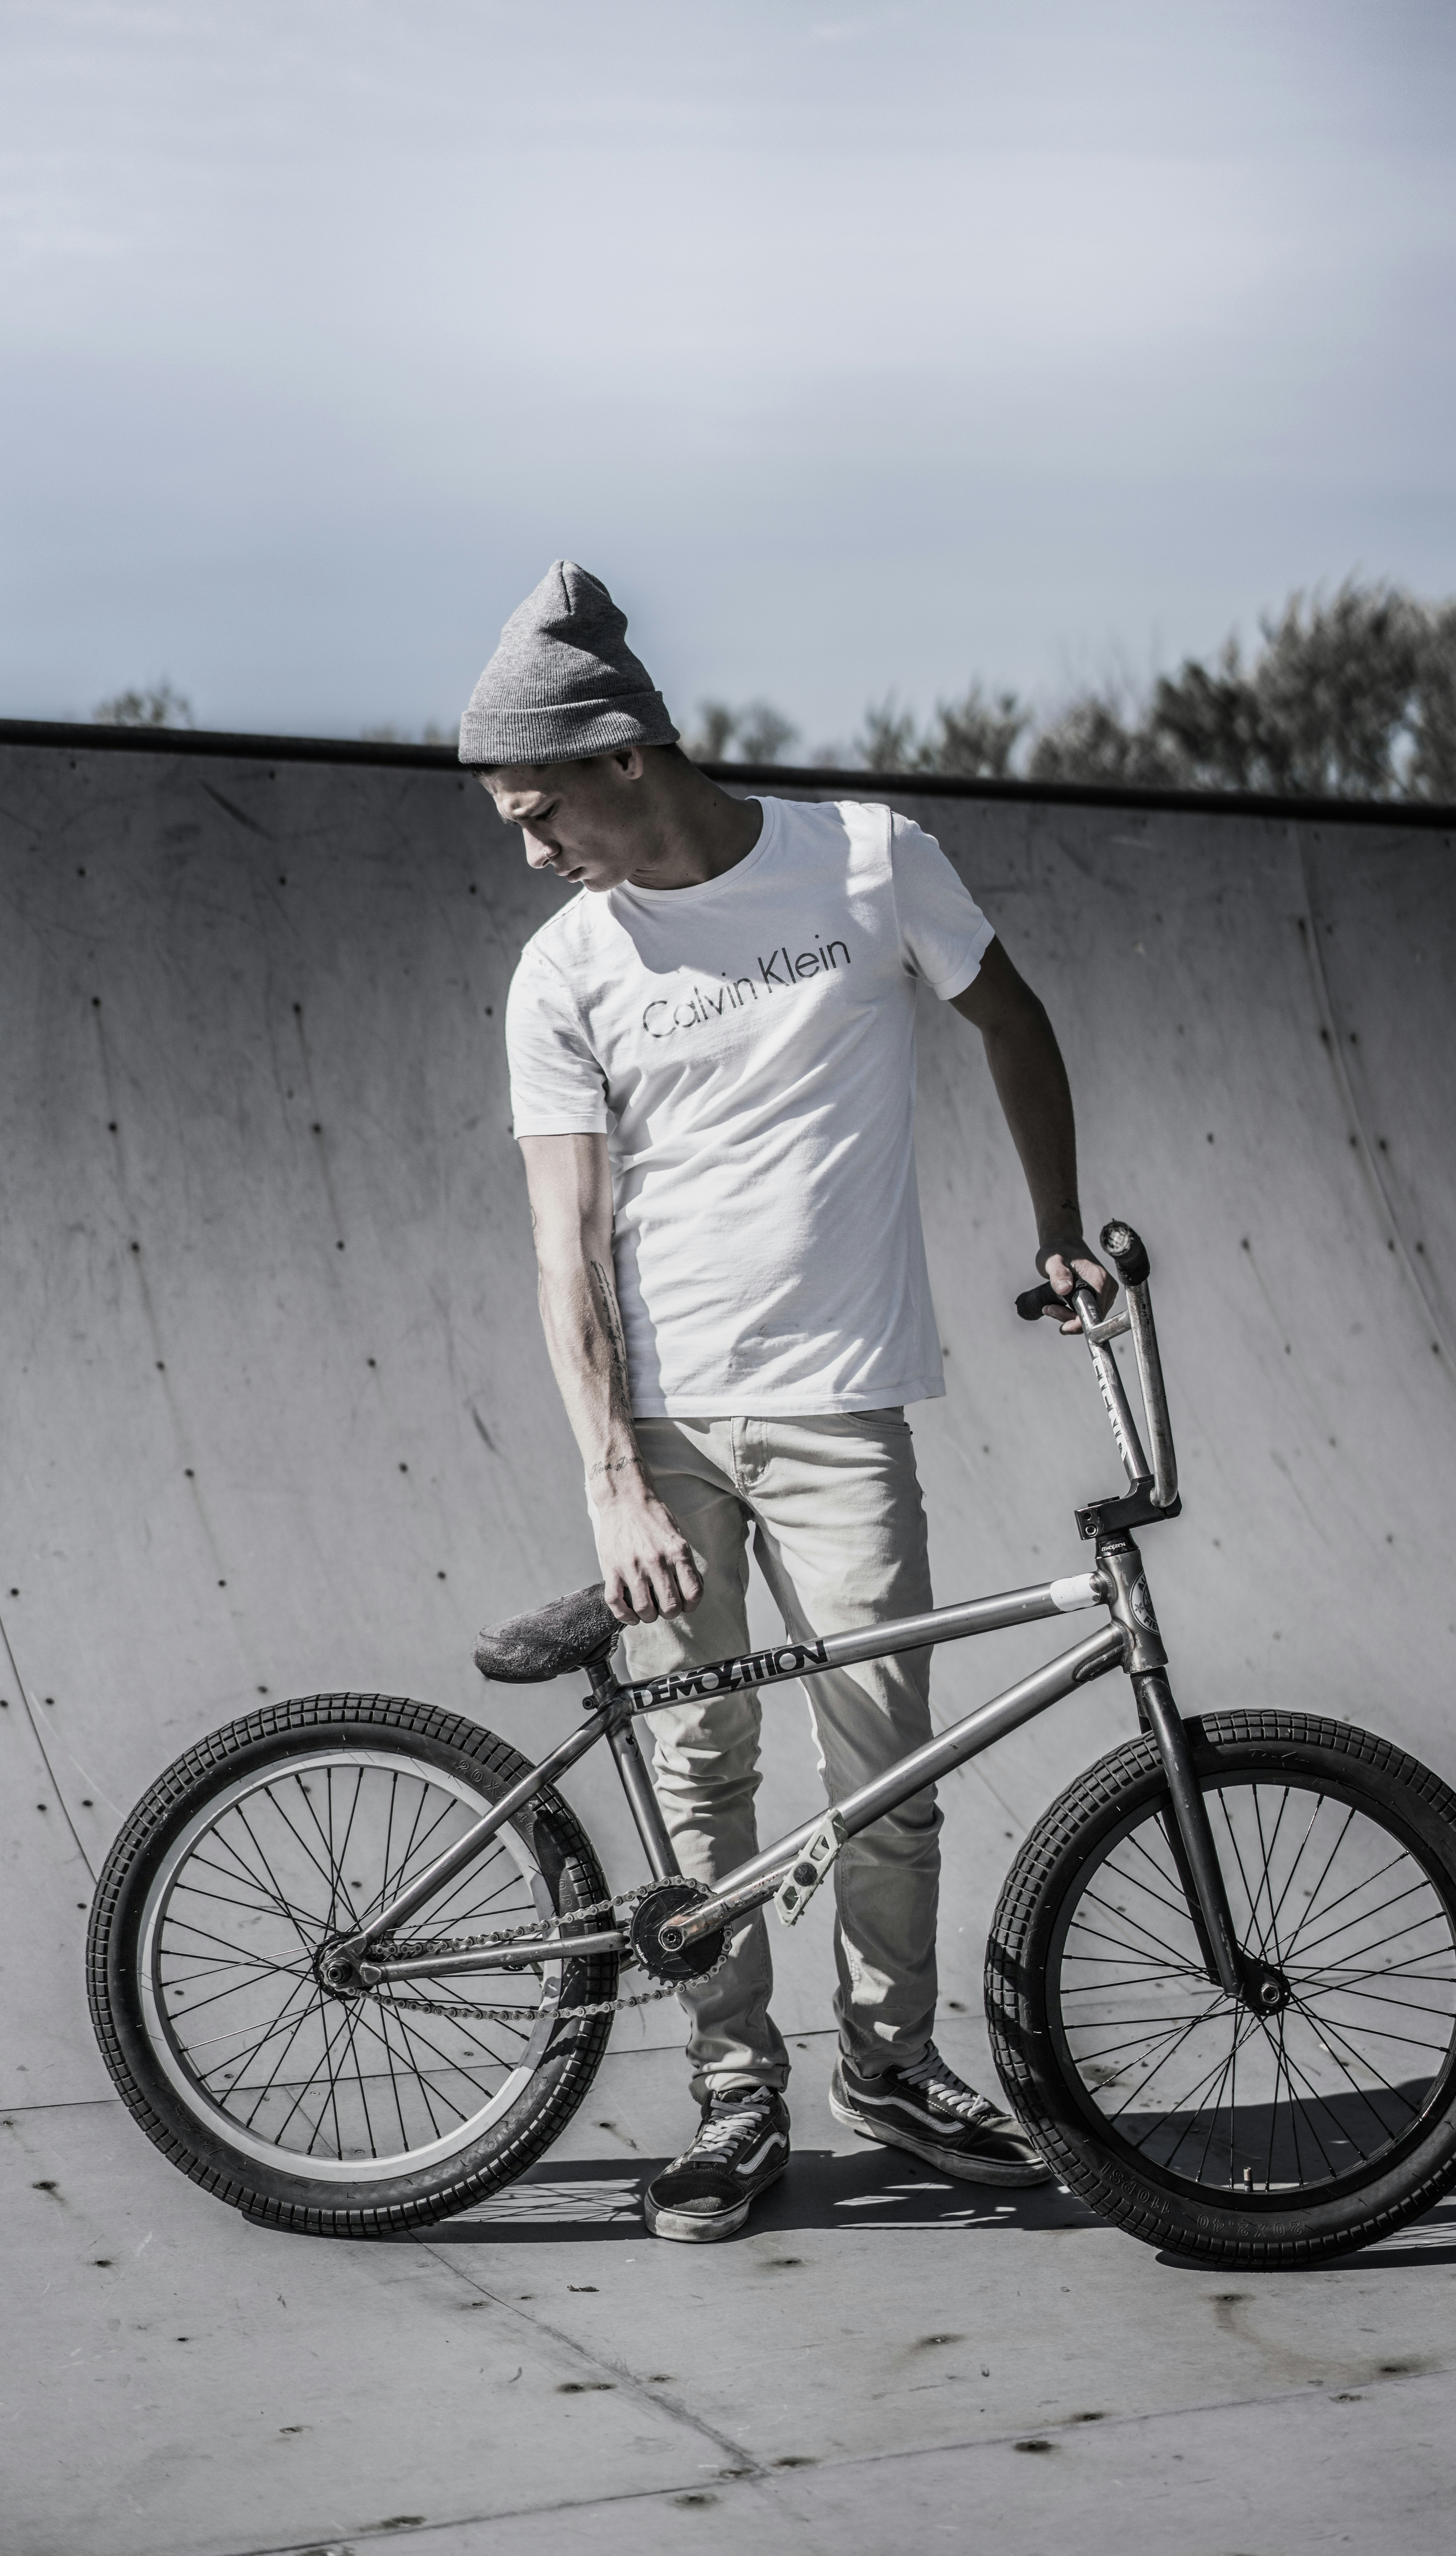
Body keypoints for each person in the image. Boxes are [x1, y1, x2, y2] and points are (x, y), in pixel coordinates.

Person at [462, 561, 1112, 2243]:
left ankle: (888, 2067)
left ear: (622, 756)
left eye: (538, 810)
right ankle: (733, 2100)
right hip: (664, 1431)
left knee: (886, 1768)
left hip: (840, 1414)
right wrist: (610, 1476)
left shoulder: (868, 857)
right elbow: (565, 1247)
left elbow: (1013, 1019)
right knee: (700, 1779)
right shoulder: (564, 969)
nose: (528, 850)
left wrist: (1056, 1234)